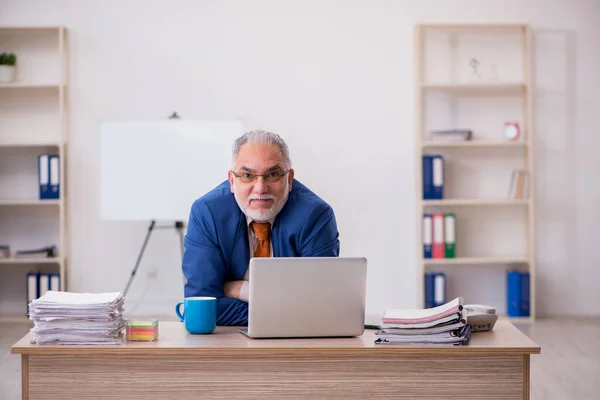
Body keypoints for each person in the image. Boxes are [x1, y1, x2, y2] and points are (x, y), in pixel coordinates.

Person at [181, 130, 340, 326]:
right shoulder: (207, 213)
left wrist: (241, 290)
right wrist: (285, 311)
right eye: (247, 175)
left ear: (289, 180)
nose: (260, 188)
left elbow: (319, 305)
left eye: (272, 175)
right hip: (227, 344)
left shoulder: (316, 215)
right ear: (232, 181)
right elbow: (201, 305)